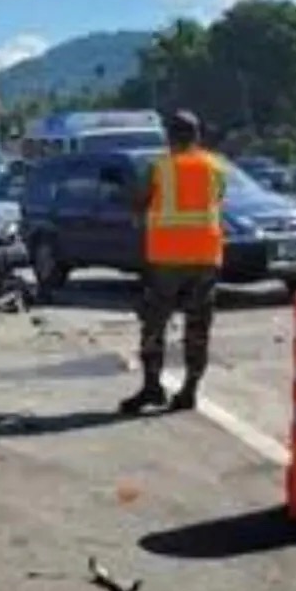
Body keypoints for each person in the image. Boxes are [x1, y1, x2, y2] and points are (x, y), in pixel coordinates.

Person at [120, 110, 226, 415]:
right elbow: (218, 199)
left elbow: (139, 204)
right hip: (206, 258)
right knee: (198, 327)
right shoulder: (215, 167)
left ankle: (152, 387)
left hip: (167, 259)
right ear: (197, 136)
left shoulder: (160, 168)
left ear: (169, 137)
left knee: (154, 324)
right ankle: (189, 390)